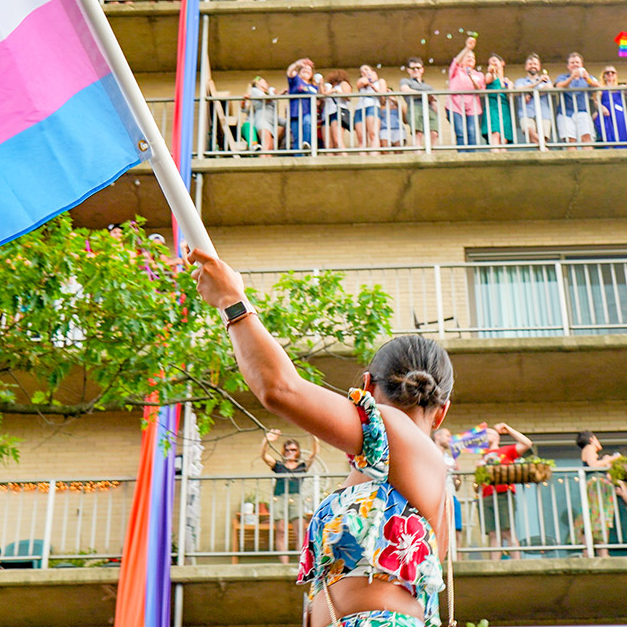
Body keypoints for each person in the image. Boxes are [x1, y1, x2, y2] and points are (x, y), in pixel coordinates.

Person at [188, 247, 452, 627]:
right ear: (442, 411)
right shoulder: (403, 476)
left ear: (365, 388)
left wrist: (233, 301)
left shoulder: (398, 436)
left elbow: (280, 389)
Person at [260, 428, 321, 563]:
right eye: (288, 450)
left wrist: (313, 435)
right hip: (280, 497)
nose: (290, 452)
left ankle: (301, 563)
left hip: (296, 498)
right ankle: (284, 564)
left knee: (300, 530)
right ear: (284, 451)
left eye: (293, 450)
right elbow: (264, 456)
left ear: (297, 451)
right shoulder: (279, 466)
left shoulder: (302, 466)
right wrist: (266, 440)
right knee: (281, 530)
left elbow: (314, 453)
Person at [478, 423, 533, 560]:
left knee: (507, 530)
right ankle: (494, 564)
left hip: (503, 493)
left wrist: (508, 429)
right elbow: (479, 482)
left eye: (487, 433)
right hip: (486, 495)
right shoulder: (482, 456)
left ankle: (517, 562)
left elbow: (527, 443)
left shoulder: (505, 451)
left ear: (496, 437)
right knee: (493, 533)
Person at [576, 430, 627, 557]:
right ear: (592, 439)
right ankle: (593, 552)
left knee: (599, 519)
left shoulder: (591, 450)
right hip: (596, 486)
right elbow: (593, 465)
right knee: (597, 516)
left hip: (598, 486)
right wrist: (612, 458)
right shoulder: (589, 447)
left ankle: (600, 551)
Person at [554, 52, 599, 150]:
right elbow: (559, 85)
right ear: (568, 66)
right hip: (565, 113)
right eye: (572, 63)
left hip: (582, 111)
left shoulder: (588, 77)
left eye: (577, 62)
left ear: (581, 65)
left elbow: (598, 85)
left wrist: (588, 79)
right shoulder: (563, 77)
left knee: (586, 137)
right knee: (570, 140)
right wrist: (571, 77)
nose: (575, 64)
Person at [447, 37, 485, 151]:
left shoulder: (479, 75)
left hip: (472, 107)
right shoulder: (456, 71)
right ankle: (462, 155)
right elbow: (456, 61)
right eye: (468, 57)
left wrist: (470, 77)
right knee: (460, 132)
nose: (470, 59)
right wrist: (467, 48)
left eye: (473, 57)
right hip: (455, 105)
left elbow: (480, 90)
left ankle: (472, 157)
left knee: (472, 133)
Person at [433, 428, 463, 555]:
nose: (450, 439)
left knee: (456, 532)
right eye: (447, 436)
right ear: (437, 437)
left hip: (452, 496)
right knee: (438, 532)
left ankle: (458, 561)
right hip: (435, 498)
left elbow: (457, 486)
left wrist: (458, 475)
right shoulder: (429, 453)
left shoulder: (450, 459)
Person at [513, 54, 553, 148]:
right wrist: (538, 84)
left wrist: (530, 93)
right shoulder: (520, 81)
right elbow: (518, 89)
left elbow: (548, 88)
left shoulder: (546, 79)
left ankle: (543, 152)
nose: (533, 65)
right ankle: (545, 148)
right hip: (526, 113)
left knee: (543, 136)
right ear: (526, 67)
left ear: (539, 67)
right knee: (528, 131)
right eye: (530, 64)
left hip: (544, 113)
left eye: (535, 64)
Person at [399, 59, 439, 149]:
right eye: (413, 68)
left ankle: (433, 157)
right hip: (415, 107)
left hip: (429, 109)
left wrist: (434, 103)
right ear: (408, 70)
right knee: (418, 133)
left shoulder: (428, 86)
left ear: (422, 69)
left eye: (418, 68)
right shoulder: (406, 81)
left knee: (434, 133)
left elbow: (434, 101)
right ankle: (419, 155)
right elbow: (405, 90)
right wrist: (424, 95)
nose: (416, 70)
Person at [286, 58, 320, 154]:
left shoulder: (314, 87)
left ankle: (306, 144)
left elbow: (321, 98)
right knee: (297, 139)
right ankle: (298, 158)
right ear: (299, 72)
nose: (306, 71)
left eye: (309, 70)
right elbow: (290, 71)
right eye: (304, 69)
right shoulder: (296, 81)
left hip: (309, 112)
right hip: (295, 113)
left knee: (307, 121)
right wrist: (297, 63)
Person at [483, 54, 515, 152]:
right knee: (495, 133)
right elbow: (488, 80)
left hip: (504, 108)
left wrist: (509, 87)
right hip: (492, 107)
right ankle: (495, 156)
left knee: (504, 138)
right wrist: (492, 73)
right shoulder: (490, 75)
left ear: (502, 63)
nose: (492, 63)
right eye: (490, 62)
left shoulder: (507, 81)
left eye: (494, 60)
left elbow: (511, 98)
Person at [354, 65, 387, 154]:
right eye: (361, 71)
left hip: (373, 105)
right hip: (360, 107)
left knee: (373, 133)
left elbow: (383, 94)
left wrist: (374, 87)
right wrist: (368, 79)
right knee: (361, 138)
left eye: (366, 69)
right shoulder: (361, 80)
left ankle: (374, 154)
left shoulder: (380, 81)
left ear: (373, 71)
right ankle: (362, 157)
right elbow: (359, 84)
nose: (364, 72)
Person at [246, 76, 282, 154]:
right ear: (258, 83)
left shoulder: (268, 94)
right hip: (262, 119)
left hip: (271, 121)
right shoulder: (255, 90)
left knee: (270, 146)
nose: (267, 84)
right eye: (264, 82)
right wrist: (274, 93)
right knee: (266, 142)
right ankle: (262, 160)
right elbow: (266, 99)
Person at [322, 70, 354, 152]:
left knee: (337, 141)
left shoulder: (343, 83)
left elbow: (348, 97)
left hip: (337, 113)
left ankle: (345, 161)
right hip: (326, 115)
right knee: (328, 145)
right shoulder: (329, 87)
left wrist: (336, 91)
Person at [596, 67, 627, 147]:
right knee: (607, 132)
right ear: (604, 76)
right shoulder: (601, 88)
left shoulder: (620, 88)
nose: (610, 74)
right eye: (607, 72)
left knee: (622, 132)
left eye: (612, 72)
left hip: (619, 114)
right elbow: (596, 101)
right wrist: (601, 107)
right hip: (607, 114)